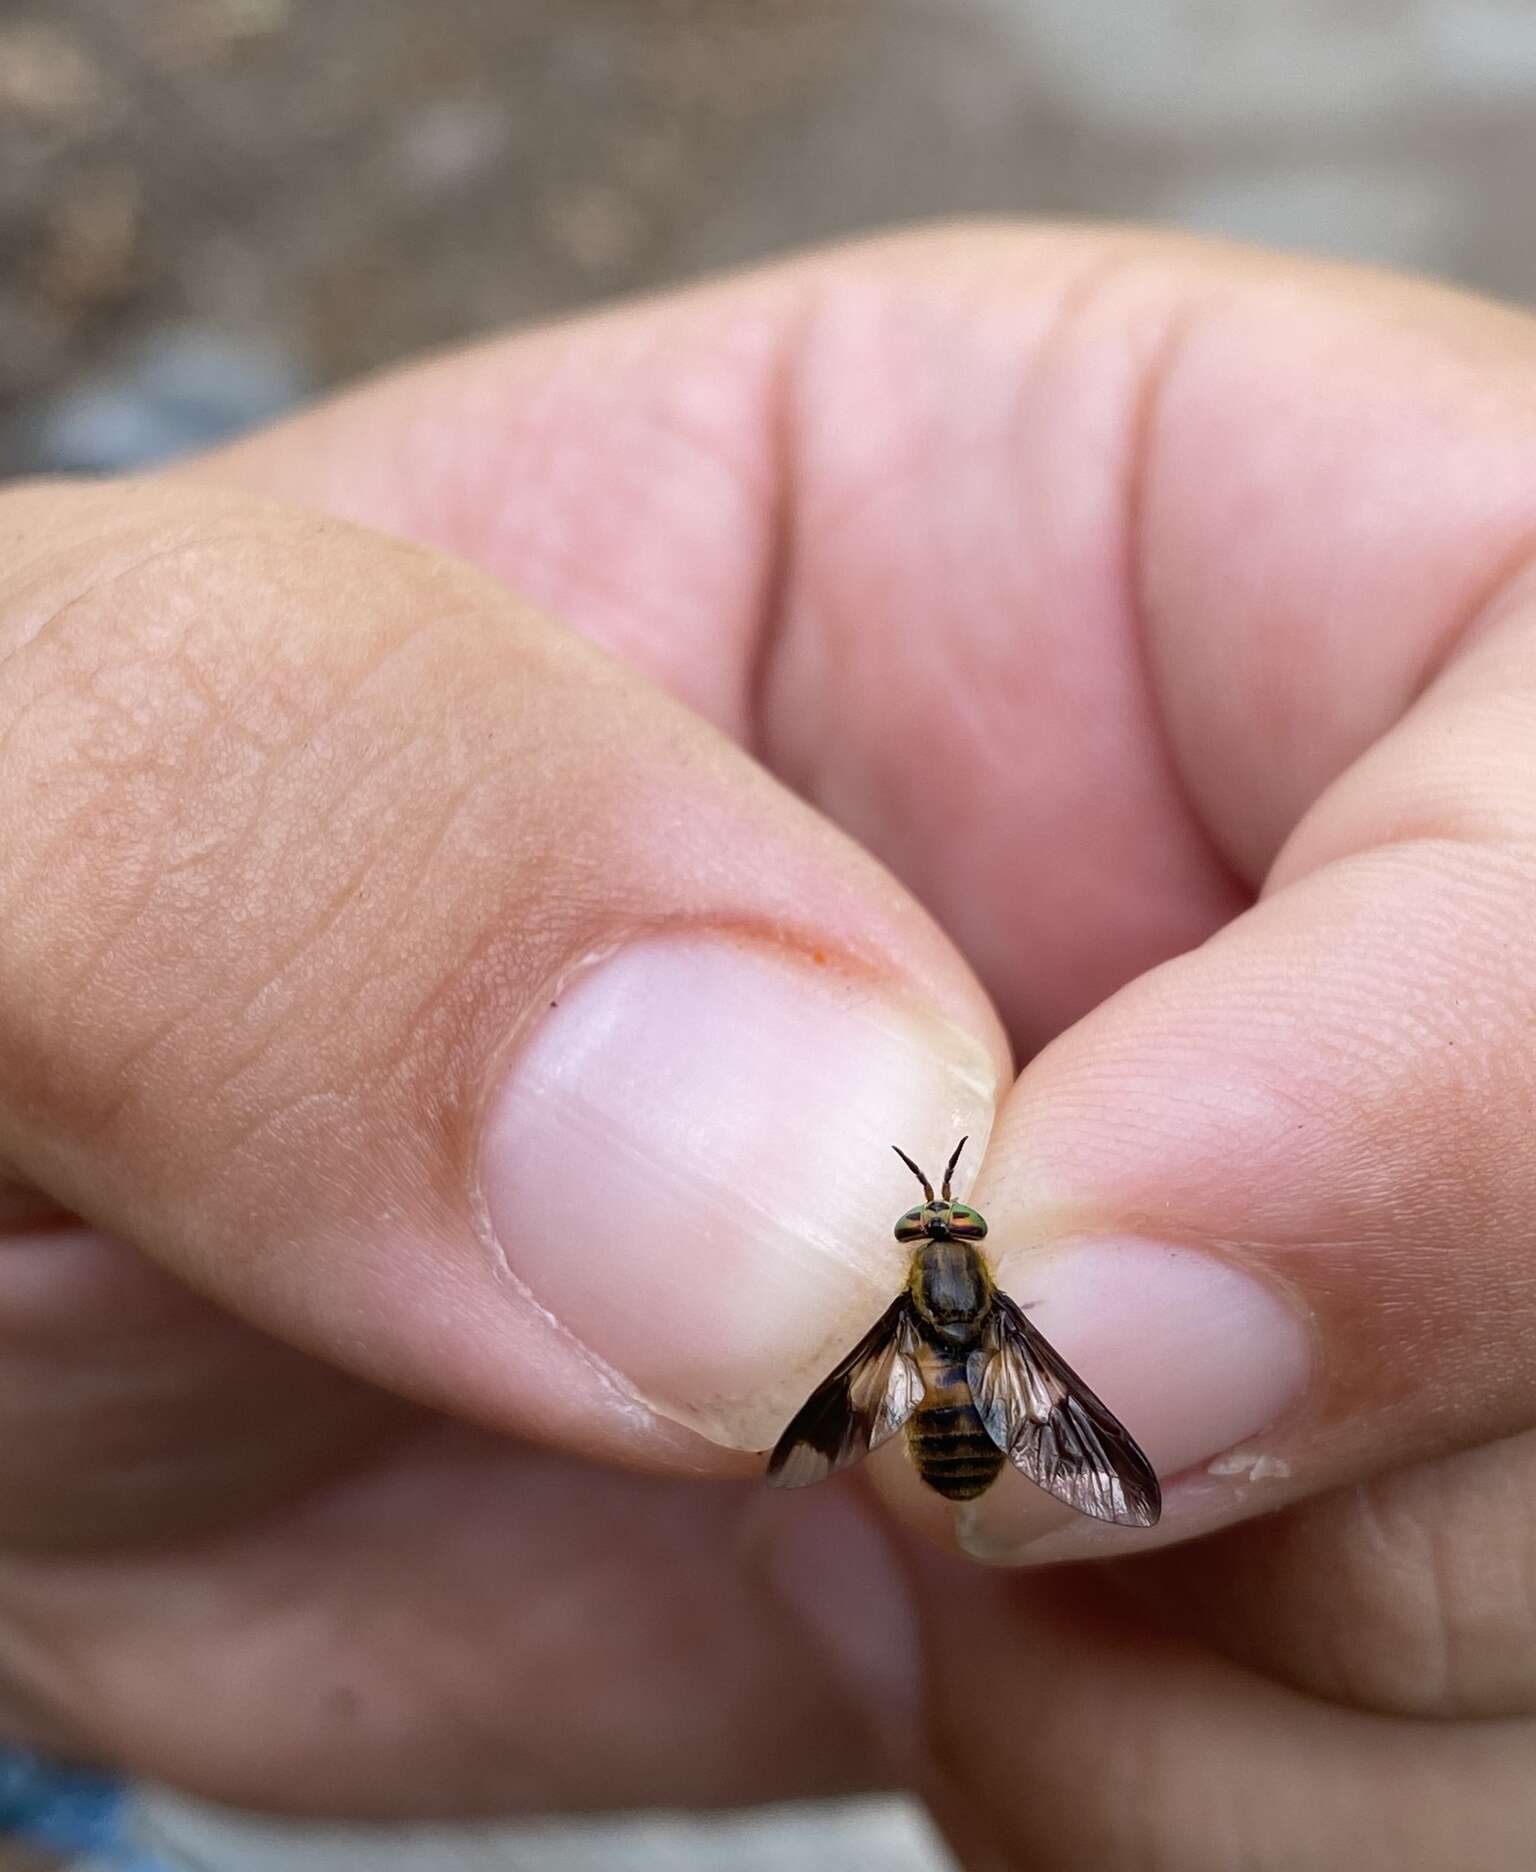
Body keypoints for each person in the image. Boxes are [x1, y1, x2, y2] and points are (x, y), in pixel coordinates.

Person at [0, 225, 1532, 1871]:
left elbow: (948, 1398)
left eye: (943, 1227)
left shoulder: (928, 1312)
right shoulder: (975, 1314)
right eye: (946, 1226)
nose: (943, 1234)